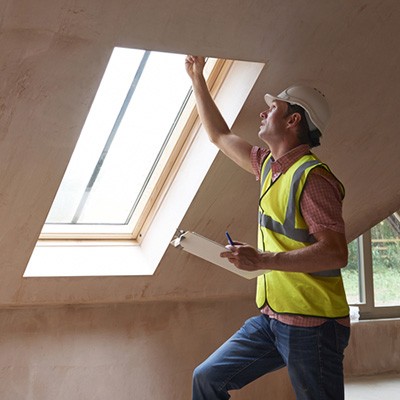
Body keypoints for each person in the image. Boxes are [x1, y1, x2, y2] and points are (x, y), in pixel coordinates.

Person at [185, 55, 350, 400]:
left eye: (271, 108)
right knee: (207, 378)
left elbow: (335, 252)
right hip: (273, 319)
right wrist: (197, 77)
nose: (262, 113)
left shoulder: (313, 177)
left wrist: (261, 260)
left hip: (314, 325)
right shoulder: (269, 167)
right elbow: (219, 134)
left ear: (293, 120)